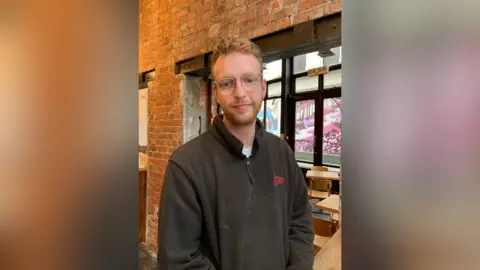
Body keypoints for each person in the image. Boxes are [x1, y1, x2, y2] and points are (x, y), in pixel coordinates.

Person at [157, 36, 314, 270]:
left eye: (249, 80)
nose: (240, 93)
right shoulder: (186, 166)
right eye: (227, 83)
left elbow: (300, 222)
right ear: (217, 93)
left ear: (264, 88)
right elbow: (178, 262)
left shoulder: (281, 152)